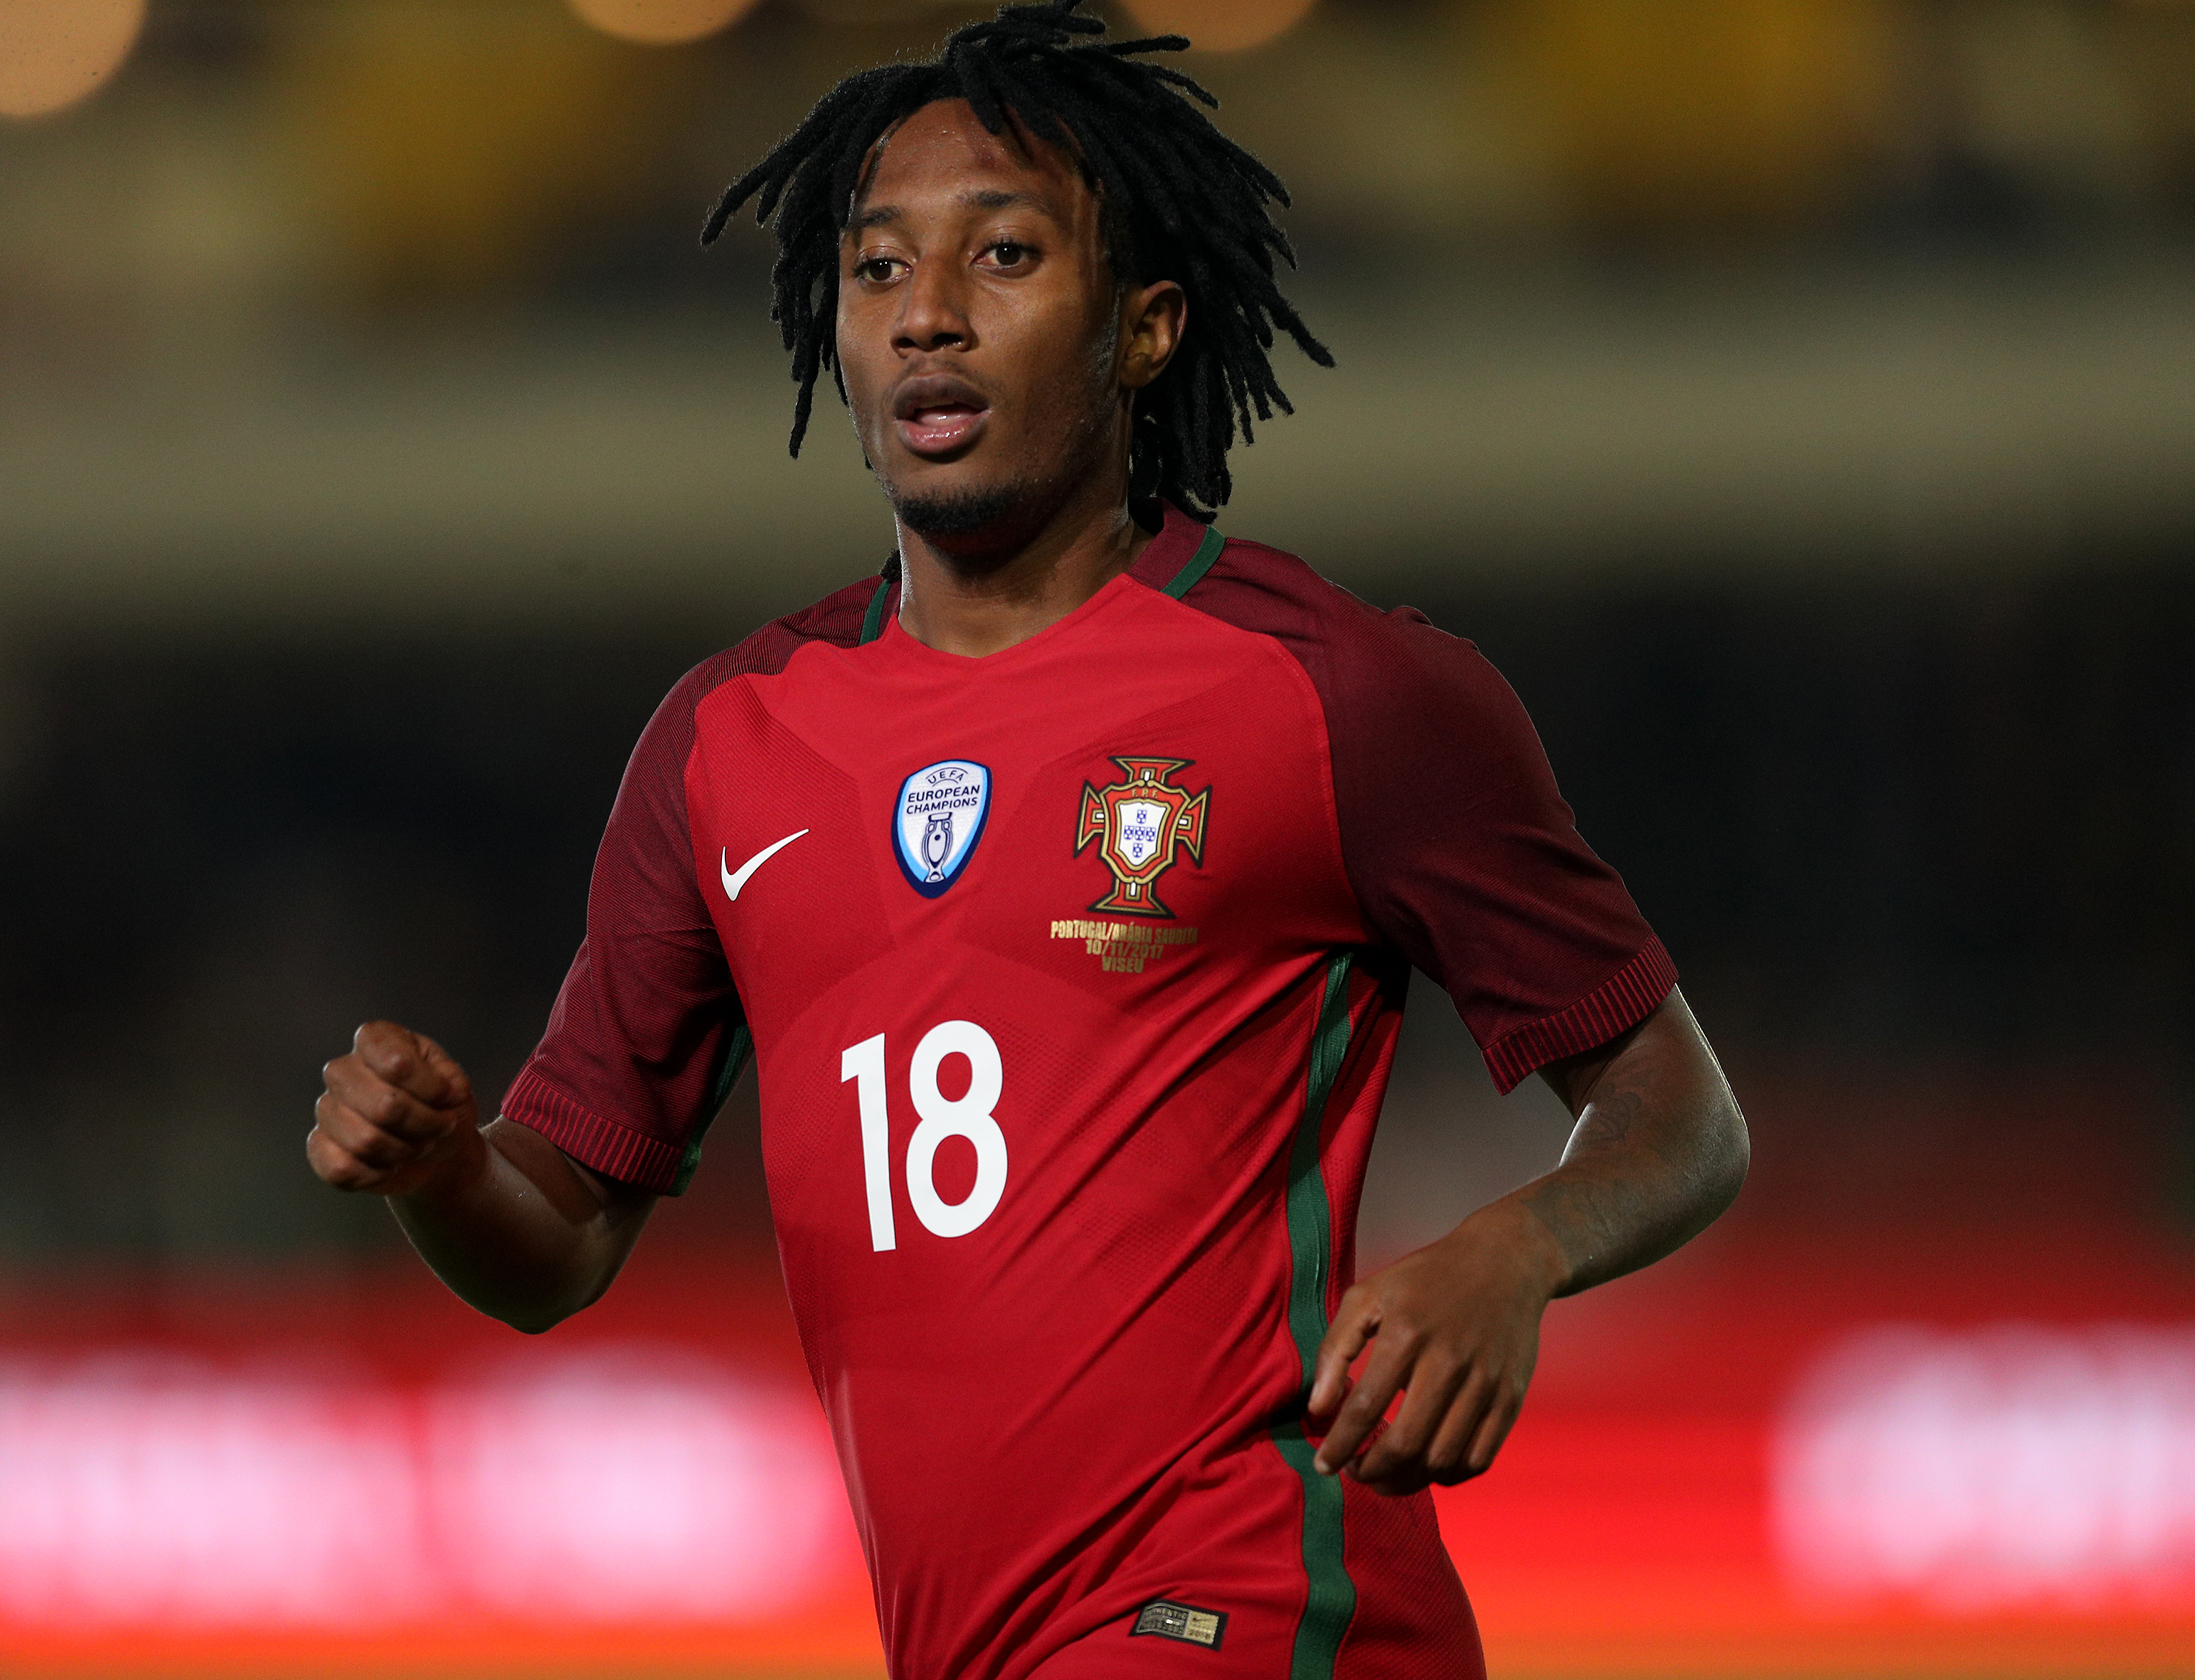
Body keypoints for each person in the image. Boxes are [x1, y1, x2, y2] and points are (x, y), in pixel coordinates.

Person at [307, 5, 1748, 1676]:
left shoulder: (1338, 693)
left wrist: (1514, 1243)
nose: (926, 314)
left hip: (1259, 1604)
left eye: (1000, 256)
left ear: (1142, 328)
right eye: (876, 270)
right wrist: (439, 1172)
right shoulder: (725, 747)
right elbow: (551, 1240)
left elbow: (1680, 1113)